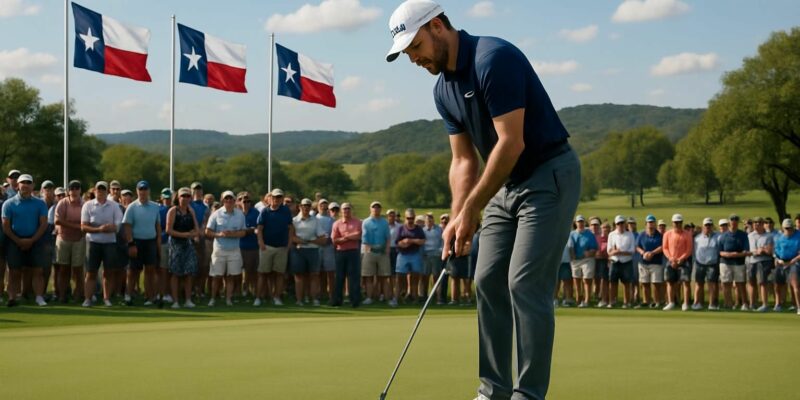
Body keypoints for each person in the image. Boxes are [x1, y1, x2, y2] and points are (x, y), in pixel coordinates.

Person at [387, 1, 581, 396]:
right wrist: (457, 216)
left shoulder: (494, 58)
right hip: (503, 186)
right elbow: (462, 161)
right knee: (487, 279)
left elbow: (511, 142)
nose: (414, 59)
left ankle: (527, 394)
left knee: (523, 283)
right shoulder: (443, 89)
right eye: (407, 53)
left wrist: (473, 208)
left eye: (416, 46)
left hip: (548, 174)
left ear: (437, 26)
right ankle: (492, 389)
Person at [1, 174, 49, 306]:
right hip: (14, 240)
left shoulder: (40, 203)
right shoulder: (8, 204)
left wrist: (32, 240)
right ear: (17, 185)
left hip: (35, 240)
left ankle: (39, 297)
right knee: (14, 271)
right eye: (23, 183)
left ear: (33, 186)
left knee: (38, 270)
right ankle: (12, 297)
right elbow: (6, 226)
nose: (25, 185)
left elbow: (43, 224)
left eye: (28, 183)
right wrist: (18, 240)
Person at [80, 181, 123, 307]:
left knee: (108, 272)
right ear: (95, 191)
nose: (100, 191)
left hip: (109, 243)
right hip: (93, 243)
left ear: (107, 191)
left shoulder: (114, 206)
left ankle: (106, 298)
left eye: (103, 189)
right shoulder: (88, 205)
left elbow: (118, 224)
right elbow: (83, 226)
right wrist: (100, 229)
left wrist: (111, 227)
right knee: (91, 272)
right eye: (98, 189)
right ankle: (88, 299)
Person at [122, 181, 162, 306]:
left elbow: (158, 226)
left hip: (150, 242)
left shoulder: (155, 206)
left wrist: (158, 244)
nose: (143, 192)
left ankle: (150, 297)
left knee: (150, 270)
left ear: (148, 191)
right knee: (133, 271)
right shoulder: (132, 207)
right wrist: (131, 244)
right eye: (141, 189)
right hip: (136, 241)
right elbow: (127, 226)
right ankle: (128, 296)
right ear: (137, 191)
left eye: (145, 189)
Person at [205, 190, 246, 307]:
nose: (228, 201)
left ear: (234, 201)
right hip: (219, 250)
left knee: (231, 276)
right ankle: (213, 298)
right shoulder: (216, 214)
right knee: (217, 276)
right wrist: (219, 235)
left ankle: (228, 299)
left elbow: (243, 232)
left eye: (231, 199)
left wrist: (232, 234)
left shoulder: (240, 214)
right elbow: (208, 231)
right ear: (223, 200)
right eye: (226, 199)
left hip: (234, 250)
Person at [255, 188, 294, 306]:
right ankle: (258, 297)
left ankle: (277, 297)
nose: (276, 199)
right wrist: (261, 243)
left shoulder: (285, 211)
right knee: (263, 273)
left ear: (282, 199)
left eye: (279, 197)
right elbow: (260, 229)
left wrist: (289, 244)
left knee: (279, 273)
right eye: (275, 197)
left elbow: (290, 228)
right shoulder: (265, 211)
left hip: (281, 247)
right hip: (266, 247)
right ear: (270, 198)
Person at [165, 187, 199, 308]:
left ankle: (188, 300)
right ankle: (175, 301)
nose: (185, 198)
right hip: (175, 245)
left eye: (187, 196)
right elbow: (168, 230)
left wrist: (192, 233)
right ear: (177, 197)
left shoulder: (191, 211)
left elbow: (197, 230)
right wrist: (184, 235)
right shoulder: (173, 210)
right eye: (182, 196)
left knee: (189, 273)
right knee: (175, 273)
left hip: (187, 245)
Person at [54, 180, 86, 304]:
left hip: (79, 240)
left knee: (78, 269)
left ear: (80, 190)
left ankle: (78, 295)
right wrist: (77, 226)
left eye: (77, 188)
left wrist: (75, 226)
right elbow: (57, 221)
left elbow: (86, 222)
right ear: (68, 190)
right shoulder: (63, 203)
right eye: (72, 188)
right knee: (63, 269)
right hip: (63, 239)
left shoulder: (84, 204)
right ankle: (62, 295)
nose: (74, 190)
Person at [291, 198, 326, 306]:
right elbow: (292, 237)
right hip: (299, 250)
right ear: (300, 207)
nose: (306, 207)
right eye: (304, 206)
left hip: (313, 250)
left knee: (314, 275)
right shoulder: (294, 221)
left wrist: (309, 241)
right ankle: (299, 300)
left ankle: (314, 299)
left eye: (308, 206)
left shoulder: (315, 220)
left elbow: (323, 239)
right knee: (299, 275)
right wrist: (302, 241)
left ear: (310, 207)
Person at [330, 202, 362, 307]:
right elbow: (334, 240)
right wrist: (348, 237)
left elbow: (358, 236)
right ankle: (337, 300)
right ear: (341, 211)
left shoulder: (357, 222)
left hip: (353, 252)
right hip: (340, 252)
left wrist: (345, 237)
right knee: (339, 277)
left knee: (354, 277)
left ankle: (355, 301)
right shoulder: (337, 224)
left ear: (351, 210)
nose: (346, 211)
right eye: (344, 209)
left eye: (348, 209)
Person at [361, 201, 393, 306]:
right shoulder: (365, 222)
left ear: (380, 209)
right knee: (369, 276)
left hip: (383, 251)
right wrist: (370, 249)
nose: (376, 209)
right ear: (370, 209)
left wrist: (387, 249)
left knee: (385, 277)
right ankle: (369, 297)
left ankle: (387, 298)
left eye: (378, 207)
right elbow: (364, 239)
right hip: (369, 251)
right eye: (374, 207)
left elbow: (388, 237)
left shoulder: (384, 222)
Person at [662, 214, 693, 311]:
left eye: (679, 222)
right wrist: (671, 258)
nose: (678, 224)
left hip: (684, 261)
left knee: (686, 282)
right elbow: (665, 248)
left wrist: (681, 258)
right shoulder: (667, 234)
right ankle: (671, 302)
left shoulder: (687, 234)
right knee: (670, 282)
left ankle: (686, 303)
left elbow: (689, 249)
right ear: (672, 223)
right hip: (671, 261)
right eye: (676, 222)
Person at [395, 208, 426, 303]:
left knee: (415, 276)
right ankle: (400, 296)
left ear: (414, 218)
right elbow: (397, 242)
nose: (410, 220)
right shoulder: (401, 228)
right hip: (403, 254)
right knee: (400, 276)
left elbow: (423, 241)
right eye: (408, 218)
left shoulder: (418, 229)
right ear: (405, 218)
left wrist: (411, 241)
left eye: (412, 218)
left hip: (415, 254)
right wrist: (404, 243)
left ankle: (414, 296)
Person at [719, 214, 750, 310]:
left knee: (740, 283)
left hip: (739, 263)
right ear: (729, 223)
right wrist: (728, 255)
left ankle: (744, 304)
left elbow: (746, 251)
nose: (734, 224)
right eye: (732, 222)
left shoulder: (743, 235)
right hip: (725, 262)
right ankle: (728, 303)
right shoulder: (723, 235)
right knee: (726, 284)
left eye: (736, 222)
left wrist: (736, 254)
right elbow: (720, 251)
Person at [568, 215, 597, 308]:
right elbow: (570, 247)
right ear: (576, 223)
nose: (580, 223)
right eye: (579, 222)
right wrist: (574, 257)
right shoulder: (572, 234)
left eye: (582, 222)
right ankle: (578, 299)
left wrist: (589, 253)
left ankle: (586, 300)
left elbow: (594, 248)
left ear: (584, 223)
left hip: (587, 259)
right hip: (576, 260)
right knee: (576, 280)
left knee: (587, 280)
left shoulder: (590, 234)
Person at [607, 215, 636, 308]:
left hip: (626, 262)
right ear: (615, 225)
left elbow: (632, 251)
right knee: (612, 282)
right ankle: (612, 302)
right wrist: (615, 252)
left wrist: (621, 252)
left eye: (622, 223)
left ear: (625, 224)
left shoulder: (630, 234)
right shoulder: (611, 235)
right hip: (615, 261)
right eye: (618, 223)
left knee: (627, 283)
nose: (620, 225)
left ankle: (626, 302)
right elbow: (609, 251)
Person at [692, 218, 721, 310]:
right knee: (699, 284)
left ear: (712, 226)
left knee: (711, 284)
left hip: (712, 264)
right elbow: (694, 251)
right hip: (700, 264)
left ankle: (711, 304)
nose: (708, 227)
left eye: (709, 225)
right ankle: (697, 303)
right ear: (703, 226)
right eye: (706, 225)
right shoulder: (697, 238)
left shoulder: (718, 237)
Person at [636, 215, 664, 308]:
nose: (651, 224)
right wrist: (643, 253)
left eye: (652, 222)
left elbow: (662, 247)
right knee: (645, 283)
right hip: (643, 262)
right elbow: (637, 246)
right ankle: (646, 301)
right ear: (646, 224)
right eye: (649, 222)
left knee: (656, 283)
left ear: (655, 224)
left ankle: (657, 302)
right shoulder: (641, 235)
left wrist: (652, 253)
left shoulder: (660, 235)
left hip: (656, 262)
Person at [747, 217, 774, 312]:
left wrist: (763, 250)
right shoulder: (750, 235)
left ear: (763, 224)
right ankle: (752, 304)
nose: (756, 224)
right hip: (752, 261)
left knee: (762, 282)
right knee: (751, 282)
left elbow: (770, 251)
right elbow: (749, 250)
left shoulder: (768, 236)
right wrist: (758, 250)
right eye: (754, 222)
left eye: (758, 222)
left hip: (763, 261)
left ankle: (765, 304)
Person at [774, 218, 800, 315]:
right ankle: (778, 304)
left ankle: (799, 307)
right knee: (777, 284)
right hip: (781, 262)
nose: (788, 230)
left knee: (795, 285)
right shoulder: (780, 238)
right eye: (786, 228)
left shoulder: (798, 236)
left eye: (790, 228)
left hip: (794, 262)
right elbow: (776, 251)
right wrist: (778, 259)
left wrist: (794, 260)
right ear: (783, 228)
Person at [189, 182, 211, 298]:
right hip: (189, 238)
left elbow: (206, 222)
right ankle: (190, 290)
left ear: (202, 191)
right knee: (191, 266)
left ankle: (200, 289)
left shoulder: (205, 207)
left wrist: (200, 233)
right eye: (194, 189)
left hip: (202, 238)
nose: (197, 191)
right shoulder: (188, 205)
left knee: (203, 266)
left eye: (199, 189)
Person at [238, 191, 260, 298]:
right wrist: (247, 230)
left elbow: (259, 228)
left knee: (251, 271)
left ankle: (251, 291)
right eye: (244, 201)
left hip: (252, 246)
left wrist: (250, 230)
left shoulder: (255, 212)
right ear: (239, 202)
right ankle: (239, 292)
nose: (246, 203)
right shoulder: (236, 213)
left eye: (248, 201)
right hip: (238, 246)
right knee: (237, 272)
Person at [421, 212, 444, 303]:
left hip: (436, 255)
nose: (429, 220)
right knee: (425, 277)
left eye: (431, 218)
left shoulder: (439, 229)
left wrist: (440, 251)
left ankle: (438, 298)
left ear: (433, 220)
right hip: (426, 256)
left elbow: (443, 241)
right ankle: (424, 297)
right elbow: (421, 243)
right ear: (425, 221)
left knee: (436, 277)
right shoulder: (423, 230)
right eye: (428, 219)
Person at [316, 199, 336, 300]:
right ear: (318, 206)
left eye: (325, 205)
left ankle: (331, 294)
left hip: (329, 247)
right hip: (317, 247)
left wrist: (329, 240)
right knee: (318, 272)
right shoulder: (315, 218)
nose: (323, 206)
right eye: (321, 205)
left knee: (330, 272)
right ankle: (320, 293)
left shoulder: (332, 220)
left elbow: (334, 233)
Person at [158, 188, 173, 303]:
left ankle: (170, 293)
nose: (167, 200)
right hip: (162, 242)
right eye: (165, 198)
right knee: (163, 270)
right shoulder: (158, 210)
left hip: (175, 243)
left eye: (169, 198)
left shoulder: (175, 209)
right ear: (162, 198)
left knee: (172, 271)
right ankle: (162, 293)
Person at [594, 221, 611, 307]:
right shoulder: (597, 238)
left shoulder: (611, 237)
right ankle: (599, 298)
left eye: (607, 228)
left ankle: (605, 299)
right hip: (598, 261)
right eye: (603, 228)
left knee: (605, 280)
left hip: (608, 261)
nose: (605, 230)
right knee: (598, 280)